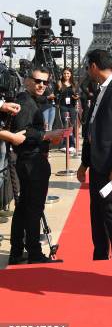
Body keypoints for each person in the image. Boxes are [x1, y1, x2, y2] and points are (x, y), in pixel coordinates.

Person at [77, 49, 112, 260]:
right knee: (97, 213)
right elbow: (91, 127)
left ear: (93, 66)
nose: (86, 71)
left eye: (87, 67)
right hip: (98, 163)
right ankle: (100, 255)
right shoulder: (100, 89)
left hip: (111, 165)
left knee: (110, 210)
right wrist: (85, 163)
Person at [8, 66, 64, 264]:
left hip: (29, 160)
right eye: (38, 81)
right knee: (33, 208)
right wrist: (47, 135)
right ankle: (34, 252)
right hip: (32, 162)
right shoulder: (25, 102)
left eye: (45, 82)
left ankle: (16, 252)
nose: (42, 85)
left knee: (24, 208)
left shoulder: (28, 101)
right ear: (27, 80)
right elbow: (23, 132)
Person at [56, 67, 79, 153]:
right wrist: (58, 89)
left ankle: (72, 144)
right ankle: (64, 145)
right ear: (62, 74)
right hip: (63, 106)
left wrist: (77, 97)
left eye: (68, 73)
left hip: (72, 106)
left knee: (71, 126)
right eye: (65, 73)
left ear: (71, 74)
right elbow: (56, 94)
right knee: (65, 125)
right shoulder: (60, 83)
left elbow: (78, 94)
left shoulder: (74, 84)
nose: (66, 75)